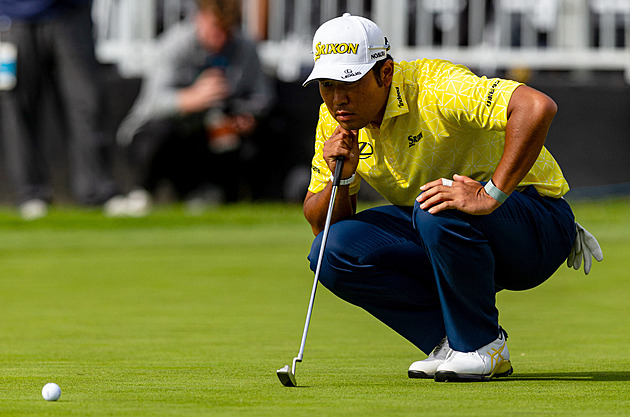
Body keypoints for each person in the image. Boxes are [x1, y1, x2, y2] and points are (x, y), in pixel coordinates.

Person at [301, 13, 603, 382]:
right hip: (444, 229)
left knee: (437, 205)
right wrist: (342, 178)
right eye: (327, 85)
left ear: (385, 73)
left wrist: (490, 193)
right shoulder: (334, 121)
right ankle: (450, 343)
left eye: (350, 82)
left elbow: (537, 106)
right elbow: (322, 224)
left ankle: (483, 347)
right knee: (332, 249)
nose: (338, 99)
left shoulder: (437, 85)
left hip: (533, 223)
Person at [115, 0, 275, 216]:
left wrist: (245, 115)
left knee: (251, 133)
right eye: (215, 29)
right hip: (162, 136)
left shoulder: (244, 47)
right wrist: (192, 98)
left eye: (227, 30)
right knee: (161, 129)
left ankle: (215, 193)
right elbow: (153, 103)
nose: (221, 38)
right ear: (199, 19)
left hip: (210, 136)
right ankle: (140, 192)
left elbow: (263, 97)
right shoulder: (175, 44)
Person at [0, 0, 123, 220]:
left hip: (69, 13)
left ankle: (97, 190)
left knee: (87, 103)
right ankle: (30, 195)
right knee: (17, 108)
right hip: (11, 18)